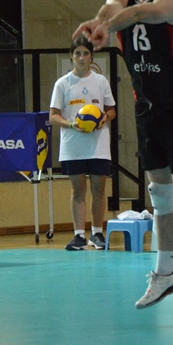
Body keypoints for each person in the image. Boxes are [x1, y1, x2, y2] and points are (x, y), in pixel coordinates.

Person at [73, 0, 173, 324]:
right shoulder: (119, 2)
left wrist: (107, 25)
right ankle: (166, 273)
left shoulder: (170, 5)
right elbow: (111, 8)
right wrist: (100, 21)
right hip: (146, 111)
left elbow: (141, 14)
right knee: (159, 196)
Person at [49, 36, 117, 251]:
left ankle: (97, 233)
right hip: (73, 146)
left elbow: (111, 111)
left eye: (85, 53)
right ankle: (78, 235)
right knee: (78, 190)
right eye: (77, 53)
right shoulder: (62, 83)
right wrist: (71, 125)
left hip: (98, 145)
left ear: (91, 57)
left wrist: (104, 119)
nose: (81, 57)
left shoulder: (101, 81)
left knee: (99, 188)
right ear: (71, 56)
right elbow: (53, 116)